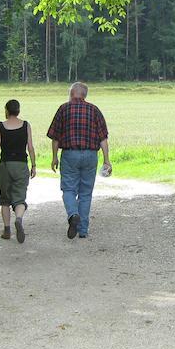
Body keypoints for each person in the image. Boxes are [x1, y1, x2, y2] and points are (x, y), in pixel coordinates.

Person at [47, 82, 111, 239]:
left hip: (70, 154)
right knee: (86, 193)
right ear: (84, 95)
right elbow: (103, 138)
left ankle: (73, 214)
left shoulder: (63, 109)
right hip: (90, 155)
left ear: (71, 93)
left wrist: (54, 156)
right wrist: (106, 160)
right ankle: (83, 230)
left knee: (69, 189)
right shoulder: (94, 110)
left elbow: (55, 137)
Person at [0, 99, 36, 243]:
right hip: (21, 165)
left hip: (5, 165)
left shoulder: (0, 126)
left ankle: (7, 230)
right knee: (20, 198)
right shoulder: (26, 125)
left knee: (5, 200)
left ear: (7, 111)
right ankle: (19, 220)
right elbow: (31, 147)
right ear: (18, 111)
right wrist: (34, 165)